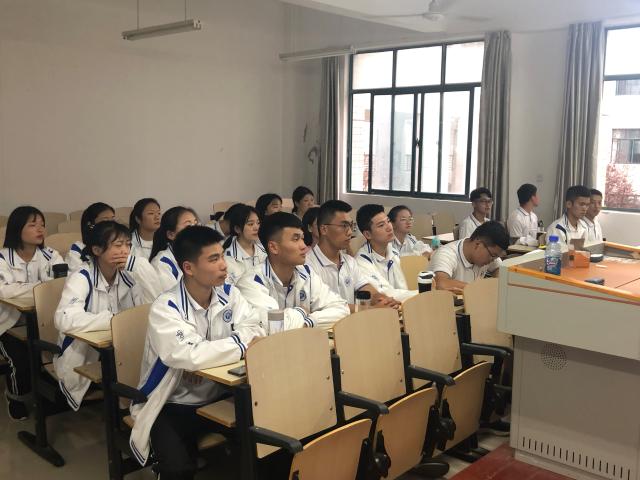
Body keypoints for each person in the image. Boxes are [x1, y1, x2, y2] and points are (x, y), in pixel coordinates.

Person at [129, 227, 264, 477]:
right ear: (189, 268)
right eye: (213, 259)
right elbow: (188, 355)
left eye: (222, 256)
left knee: (266, 443)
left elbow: (254, 327)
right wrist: (240, 346)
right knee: (178, 470)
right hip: (173, 402)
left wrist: (205, 359)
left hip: (221, 394)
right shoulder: (166, 307)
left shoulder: (229, 293)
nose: (224, 265)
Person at [54, 221, 144, 410]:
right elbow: (64, 319)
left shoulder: (129, 277)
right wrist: (113, 320)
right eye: (118, 245)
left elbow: (143, 313)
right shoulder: (82, 277)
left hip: (119, 348)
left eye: (128, 245)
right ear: (96, 250)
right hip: (85, 352)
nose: (125, 251)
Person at [0, 206, 63, 420]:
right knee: (20, 359)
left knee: (57, 351)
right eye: (33, 225)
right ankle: (16, 397)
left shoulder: (51, 255)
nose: (40, 229)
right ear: (17, 228)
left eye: (42, 224)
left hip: (44, 322)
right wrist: (42, 287)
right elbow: (4, 291)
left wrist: (22, 288)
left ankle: (51, 394)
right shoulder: (3, 258)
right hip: (8, 324)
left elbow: (62, 285)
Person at [236, 212, 349, 331]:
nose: (304, 246)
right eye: (295, 239)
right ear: (273, 247)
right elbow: (276, 327)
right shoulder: (251, 282)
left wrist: (309, 322)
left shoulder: (306, 273)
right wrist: (301, 311)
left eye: (302, 238)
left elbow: (342, 309)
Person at [306, 200, 399, 312]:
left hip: (353, 321)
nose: (350, 232)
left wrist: (385, 300)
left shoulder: (349, 261)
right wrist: (371, 309)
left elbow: (366, 288)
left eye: (350, 226)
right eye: (344, 226)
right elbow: (326, 306)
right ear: (324, 229)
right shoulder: (308, 265)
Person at [355, 204, 417, 301]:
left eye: (388, 221)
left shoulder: (393, 252)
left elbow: (402, 288)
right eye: (381, 225)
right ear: (368, 234)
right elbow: (385, 294)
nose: (389, 227)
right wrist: (420, 294)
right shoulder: (362, 262)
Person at [429, 221, 509, 294]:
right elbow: (440, 283)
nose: (492, 260)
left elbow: (500, 269)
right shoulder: (446, 254)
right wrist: (481, 289)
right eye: (493, 256)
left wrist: (498, 284)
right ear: (478, 244)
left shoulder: (489, 253)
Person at [150, 207, 199, 293]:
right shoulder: (162, 263)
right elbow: (173, 297)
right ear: (171, 235)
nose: (196, 230)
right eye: (188, 226)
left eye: (196, 224)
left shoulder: (200, 254)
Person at [222, 204, 267, 284]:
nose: (256, 227)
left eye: (258, 223)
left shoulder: (265, 251)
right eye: (250, 224)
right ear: (237, 229)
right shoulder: (228, 258)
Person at [66, 202, 116, 271]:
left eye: (112, 220)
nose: (111, 224)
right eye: (105, 220)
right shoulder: (78, 248)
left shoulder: (121, 245)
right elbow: (77, 273)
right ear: (90, 225)